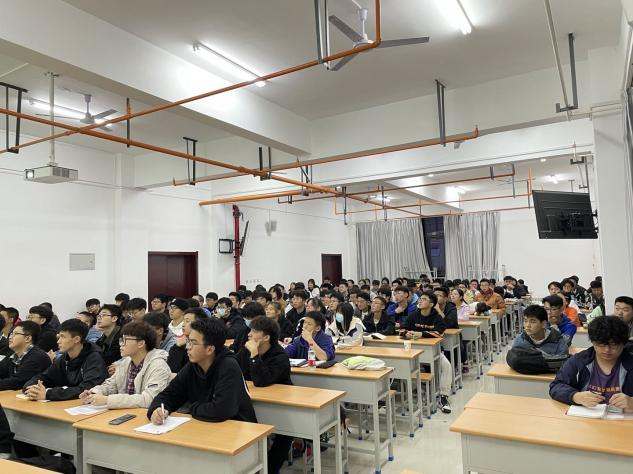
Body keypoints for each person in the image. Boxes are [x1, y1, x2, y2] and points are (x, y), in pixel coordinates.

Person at [147, 318, 256, 424]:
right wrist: (158, 408)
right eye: (188, 341)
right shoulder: (193, 365)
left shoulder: (228, 366)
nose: (187, 347)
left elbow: (221, 410)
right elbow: (170, 394)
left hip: (238, 427)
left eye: (193, 343)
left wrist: (192, 407)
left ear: (210, 349)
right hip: (205, 424)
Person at [235, 315, 292, 473]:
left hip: (280, 404)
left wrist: (254, 355)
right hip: (252, 399)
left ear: (266, 337)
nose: (249, 334)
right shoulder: (246, 351)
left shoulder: (280, 356)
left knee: (286, 433)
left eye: (254, 331)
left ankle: (270, 468)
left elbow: (261, 381)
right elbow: (233, 367)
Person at [80, 321, 171, 409]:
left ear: (141, 343)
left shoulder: (158, 366)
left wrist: (108, 400)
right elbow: (111, 385)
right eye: (121, 340)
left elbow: (149, 399)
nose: (121, 344)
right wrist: (94, 393)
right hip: (126, 412)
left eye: (125, 340)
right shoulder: (126, 362)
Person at [550, 316, 633, 410]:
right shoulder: (579, 361)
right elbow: (556, 386)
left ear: (623, 344)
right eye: (601, 344)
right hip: (587, 414)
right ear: (593, 342)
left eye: (614, 345)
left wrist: (631, 402)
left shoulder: (630, 363)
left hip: (623, 417)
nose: (607, 350)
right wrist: (575, 396)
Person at [23, 319, 107, 401]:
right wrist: (31, 387)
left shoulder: (94, 358)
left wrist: (48, 394)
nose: (58, 341)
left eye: (63, 337)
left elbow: (88, 388)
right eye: (59, 337)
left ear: (76, 339)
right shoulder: (64, 358)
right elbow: (45, 376)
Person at [401, 292, 454, 413]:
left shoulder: (437, 317)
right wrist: (406, 333)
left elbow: (439, 333)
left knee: (446, 366)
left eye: (424, 299)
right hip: (414, 351)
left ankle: (443, 397)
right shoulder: (413, 315)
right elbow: (402, 328)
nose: (420, 301)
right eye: (420, 299)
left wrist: (422, 334)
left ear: (431, 304)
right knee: (405, 367)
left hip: (434, 351)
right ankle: (421, 392)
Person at [0, 321, 51, 390]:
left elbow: (18, 382)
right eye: (11, 333)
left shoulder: (37, 357)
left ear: (28, 338)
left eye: (15, 334)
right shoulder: (13, 355)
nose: (10, 337)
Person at [167, 308, 207, 373]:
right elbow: (170, 368)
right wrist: (178, 346)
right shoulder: (180, 343)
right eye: (183, 321)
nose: (183, 325)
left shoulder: (204, 344)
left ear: (199, 323)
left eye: (187, 321)